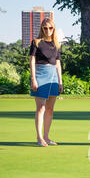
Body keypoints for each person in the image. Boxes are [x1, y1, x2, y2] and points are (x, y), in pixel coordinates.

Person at [30, 18, 63, 147]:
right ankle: (39, 138)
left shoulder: (56, 44)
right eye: (45, 28)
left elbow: (58, 63)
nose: (48, 30)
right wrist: (33, 79)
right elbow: (32, 61)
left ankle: (46, 137)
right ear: (42, 29)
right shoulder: (36, 42)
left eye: (50, 28)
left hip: (53, 77)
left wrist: (60, 81)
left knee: (50, 109)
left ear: (53, 29)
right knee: (41, 108)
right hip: (40, 75)